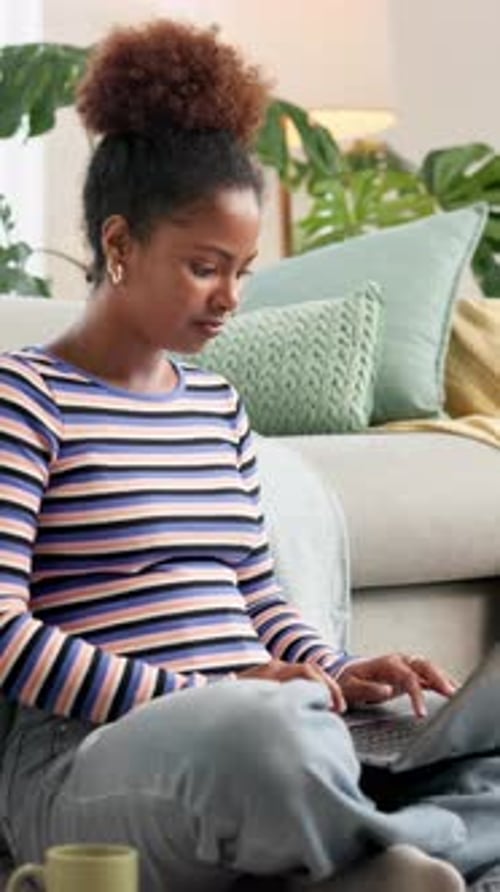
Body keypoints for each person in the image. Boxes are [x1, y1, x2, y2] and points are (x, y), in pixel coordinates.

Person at [0, 18, 497, 892]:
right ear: (119, 246)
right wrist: (205, 692)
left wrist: (338, 672)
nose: (230, 298)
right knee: (263, 741)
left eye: (243, 269)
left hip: (269, 728)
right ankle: (387, 847)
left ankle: (357, 850)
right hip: (96, 756)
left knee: (459, 731)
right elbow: (3, 634)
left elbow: (258, 595)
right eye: (204, 267)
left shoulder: (216, 405)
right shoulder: (24, 397)